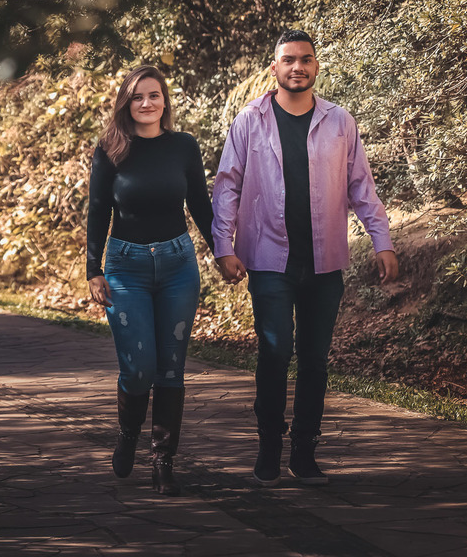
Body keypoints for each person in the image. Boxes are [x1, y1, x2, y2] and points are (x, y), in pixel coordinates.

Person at [212, 30, 398, 487]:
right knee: (275, 355)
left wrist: (382, 240)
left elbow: (361, 188)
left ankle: (305, 451)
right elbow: (227, 185)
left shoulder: (339, 122)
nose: (298, 67)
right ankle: (269, 447)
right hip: (269, 261)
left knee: (314, 360)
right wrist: (223, 246)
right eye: (288, 60)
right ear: (274, 67)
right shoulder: (249, 121)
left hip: (323, 263)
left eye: (306, 60)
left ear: (316, 67)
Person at [86, 65, 214, 496]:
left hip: (178, 265)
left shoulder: (183, 146)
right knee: (139, 370)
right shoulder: (110, 149)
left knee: (171, 370)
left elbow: (199, 201)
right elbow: (98, 209)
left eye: (154, 95)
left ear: (165, 101)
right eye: (137, 96)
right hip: (126, 267)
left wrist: (224, 251)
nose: (146, 103)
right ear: (126, 101)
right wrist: (93, 269)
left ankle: (163, 461)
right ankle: (128, 432)